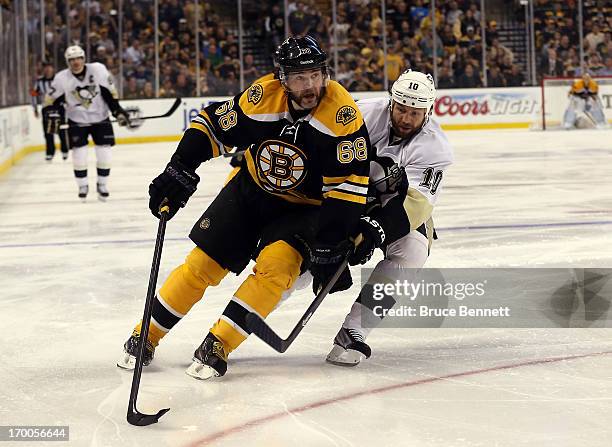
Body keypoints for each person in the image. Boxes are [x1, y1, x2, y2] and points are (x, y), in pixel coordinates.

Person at [117, 36, 372, 380]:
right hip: (251, 190)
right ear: (282, 78)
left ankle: (219, 342)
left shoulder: (342, 117)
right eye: (299, 77)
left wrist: (329, 243)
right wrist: (179, 170)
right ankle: (146, 334)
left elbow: (348, 187)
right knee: (202, 265)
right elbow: (210, 125)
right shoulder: (262, 98)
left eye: (315, 74)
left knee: (276, 271)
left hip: (304, 210)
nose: (310, 85)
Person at [327, 70, 454, 366]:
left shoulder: (436, 147)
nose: (406, 119)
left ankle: (354, 330)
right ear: (391, 102)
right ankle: (247, 318)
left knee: (412, 253)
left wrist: (375, 230)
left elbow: (416, 204)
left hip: (395, 208)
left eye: (415, 112)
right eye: (401, 109)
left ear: (428, 111)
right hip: (347, 193)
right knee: (316, 252)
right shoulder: (360, 113)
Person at [45, 45, 131, 201]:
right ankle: (83, 185)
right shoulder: (61, 78)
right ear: (67, 62)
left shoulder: (98, 70)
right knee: (79, 155)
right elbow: (51, 102)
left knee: (104, 154)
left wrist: (117, 111)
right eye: (72, 60)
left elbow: (109, 94)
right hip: (77, 121)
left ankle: (102, 184)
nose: (76, 62)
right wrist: (53, 115)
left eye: (78, 58)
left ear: (84, 59)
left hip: (100, 118)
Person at [32, 62, 68, 162]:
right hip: (46, 108)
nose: (48, 70)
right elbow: (34, 94)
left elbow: (66, 92)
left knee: (61, 130)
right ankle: (50, 153)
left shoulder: (59, 80)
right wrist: (35, 108)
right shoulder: (39, 81)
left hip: (59, 108)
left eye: (49, 67)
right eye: (46, 68)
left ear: (52, 69)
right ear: (43, 70)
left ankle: (65, 150)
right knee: (48, 132)